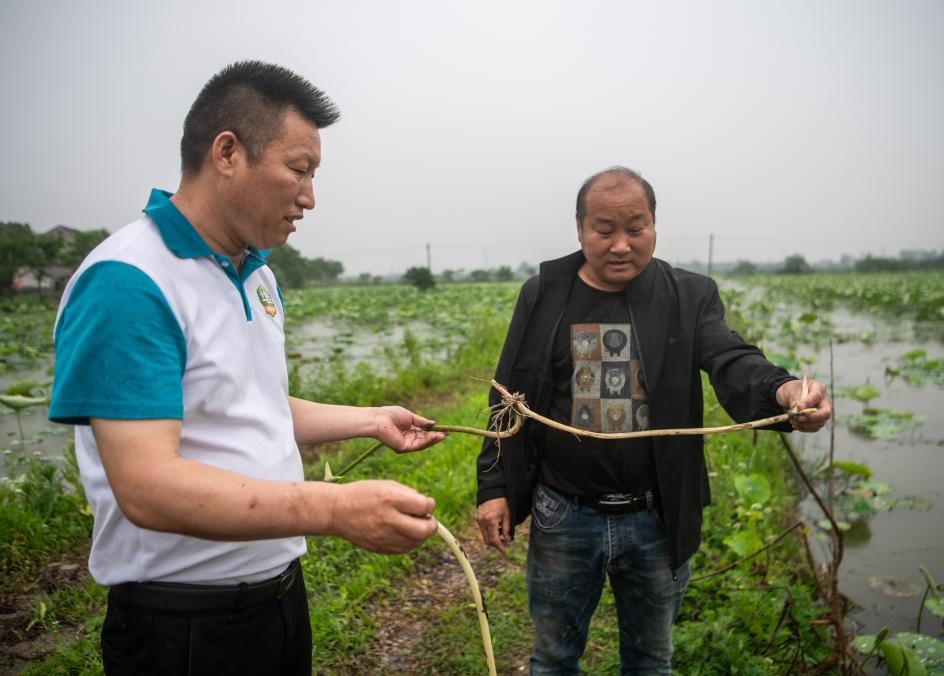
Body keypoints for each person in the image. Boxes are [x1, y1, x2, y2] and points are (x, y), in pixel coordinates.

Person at [48, 61, 446, 675]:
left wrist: (372, 420)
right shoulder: (128, 281)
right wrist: (336, 510)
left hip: (279, 598)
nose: (309, 197)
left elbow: (252, 405)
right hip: (184, 628)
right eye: (299, 170)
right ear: (227, 152)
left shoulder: (254, 273)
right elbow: (148, 486)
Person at [475, 166, 831, 674]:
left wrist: (784, 391)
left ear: (654, 227)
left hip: (656, 517)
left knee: (650, 660)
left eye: (635, 228)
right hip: (563, 514)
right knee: (553, 658)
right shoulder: (543, 294)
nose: (620, 244)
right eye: (604, 230)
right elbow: (506, 395)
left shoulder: (688, 296)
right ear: (579, 229)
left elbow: (730, 359)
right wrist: (493, 487)